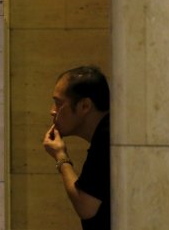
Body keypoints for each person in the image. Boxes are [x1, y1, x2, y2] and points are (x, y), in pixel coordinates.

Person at [42, 65, 110, 230]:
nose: (53, 111)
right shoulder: (108, 133)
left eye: (58, 103)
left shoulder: (107, 140)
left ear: (85, 106)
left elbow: (86, 207)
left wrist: (61, 156)